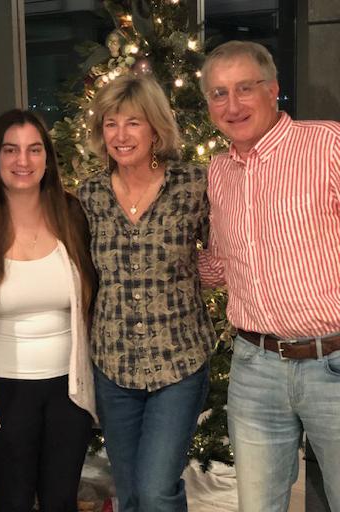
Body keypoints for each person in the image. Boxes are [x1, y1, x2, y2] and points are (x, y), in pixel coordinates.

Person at [198, 40, 340, 512]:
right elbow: (220, 267)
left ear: (273, 89)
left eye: (245, 88)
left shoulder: (328, 145)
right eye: (218, 93)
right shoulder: (218, 172)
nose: (232, 105)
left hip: (333, 363)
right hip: (255, 368)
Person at [78, 74, 216, 512]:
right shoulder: (90, 196)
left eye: (133, 123)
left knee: (157, 489)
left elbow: (228, 251)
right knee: (130, 490)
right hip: (113, 365)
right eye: (110, 123)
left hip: (178, 362)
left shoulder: (194, 185)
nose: (120, 135)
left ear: (155, 128)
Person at [0, 109, 97, 512]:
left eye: (33, 149)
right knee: (12, 501)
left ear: (47, 159)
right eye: (11, 150)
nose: (23, 161)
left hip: (69, 390)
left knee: (61, 501)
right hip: (3, 390)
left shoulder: (73, 215)